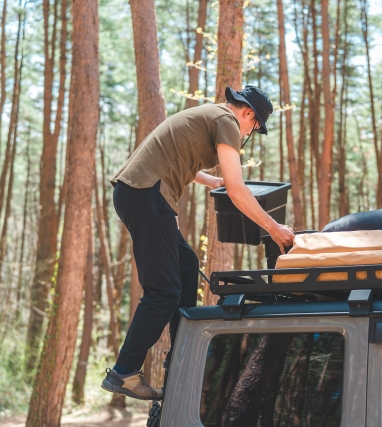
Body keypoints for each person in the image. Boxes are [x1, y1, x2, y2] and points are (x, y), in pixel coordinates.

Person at [101, 86, 295, 400]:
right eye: (255, 127)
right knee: (163, 291)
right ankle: (124, 371)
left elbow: (176, 154)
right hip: (147, 194)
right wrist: (273, 227)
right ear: (248, 114)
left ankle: (182, 353)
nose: (249, 132)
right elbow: (237, 189)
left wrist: (210, 180)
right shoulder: (227, 121)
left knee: (187, 265)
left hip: (140, 192)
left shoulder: (209, 114)